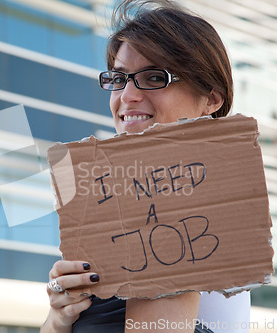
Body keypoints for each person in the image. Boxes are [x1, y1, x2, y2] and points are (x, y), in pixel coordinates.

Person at [41, 0, 250, 332]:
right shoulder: (116, 205)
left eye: (154, 77)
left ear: (211, 98)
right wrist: (60, 317)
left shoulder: (192, 207)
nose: (127, 95)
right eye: (119, 78)